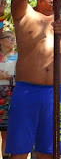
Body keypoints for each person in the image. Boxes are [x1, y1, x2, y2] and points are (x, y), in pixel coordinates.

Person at [6, 0, 61, 159]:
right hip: (26, 92)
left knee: (49, 153)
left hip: (55, 95)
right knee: (18, 153)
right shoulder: (25, 14)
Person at [0, 30, 17, 159]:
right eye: (8, 37)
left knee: (6, 132)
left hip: (10, 96)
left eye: (13, 38)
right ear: (1, 40)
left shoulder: (18, 56)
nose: (12, 40)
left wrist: (10, 77)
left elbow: (20, 77)